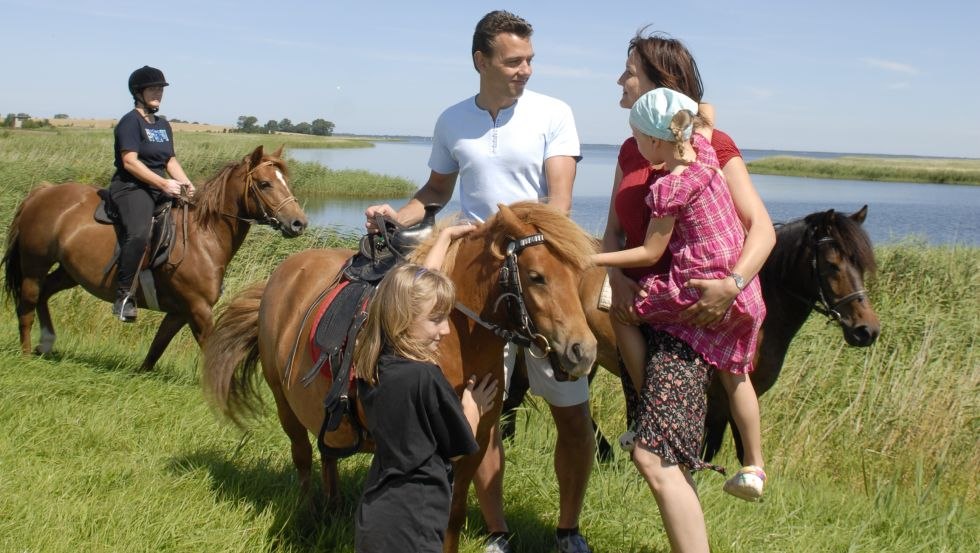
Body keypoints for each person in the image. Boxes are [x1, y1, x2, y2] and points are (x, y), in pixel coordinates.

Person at [364, 11, 593, 553]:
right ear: (480, 61)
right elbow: (437, 191)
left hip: (536, 276)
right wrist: (399, 216)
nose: (525, 70)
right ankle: (496, 534)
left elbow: (558, 206)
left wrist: (518, 239)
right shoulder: (451, 121)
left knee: (572, 412)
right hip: (472, 283)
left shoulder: (553, 114)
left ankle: (568, 530)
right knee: (480, 411)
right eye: (514, 61)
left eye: (530, 60)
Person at [598, 31, 776, 553]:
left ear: (660, 83)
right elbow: (614, 229)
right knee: (669, 456)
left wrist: (731, 285)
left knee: (656, 456)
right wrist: (614, 281)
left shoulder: (710, 147)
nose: (619, 79)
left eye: (629, 70)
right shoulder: (633, 149)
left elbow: (760, 228)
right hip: (644, 312)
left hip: (692, 313)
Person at [353, 224, 497, 553]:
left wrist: (444, 240)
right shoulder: (424, 378)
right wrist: (472, 408)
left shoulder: (374, 363)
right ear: (404, 318)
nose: (445, 329)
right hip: (414, 523)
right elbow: (458, 448)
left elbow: (410, 292)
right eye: (436, 319)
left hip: (377, 515)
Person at [109, 65, 194, 322]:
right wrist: (163, 184)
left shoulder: (162, 124)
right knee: (139, 233)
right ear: (138, 92)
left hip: (159, 185)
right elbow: (130, 162)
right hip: (132, 187)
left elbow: (169, 160)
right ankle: (124, 297)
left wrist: (187, 185)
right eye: (153, 89)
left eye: (160, 89)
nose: (158, 93)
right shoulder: (129, 122)